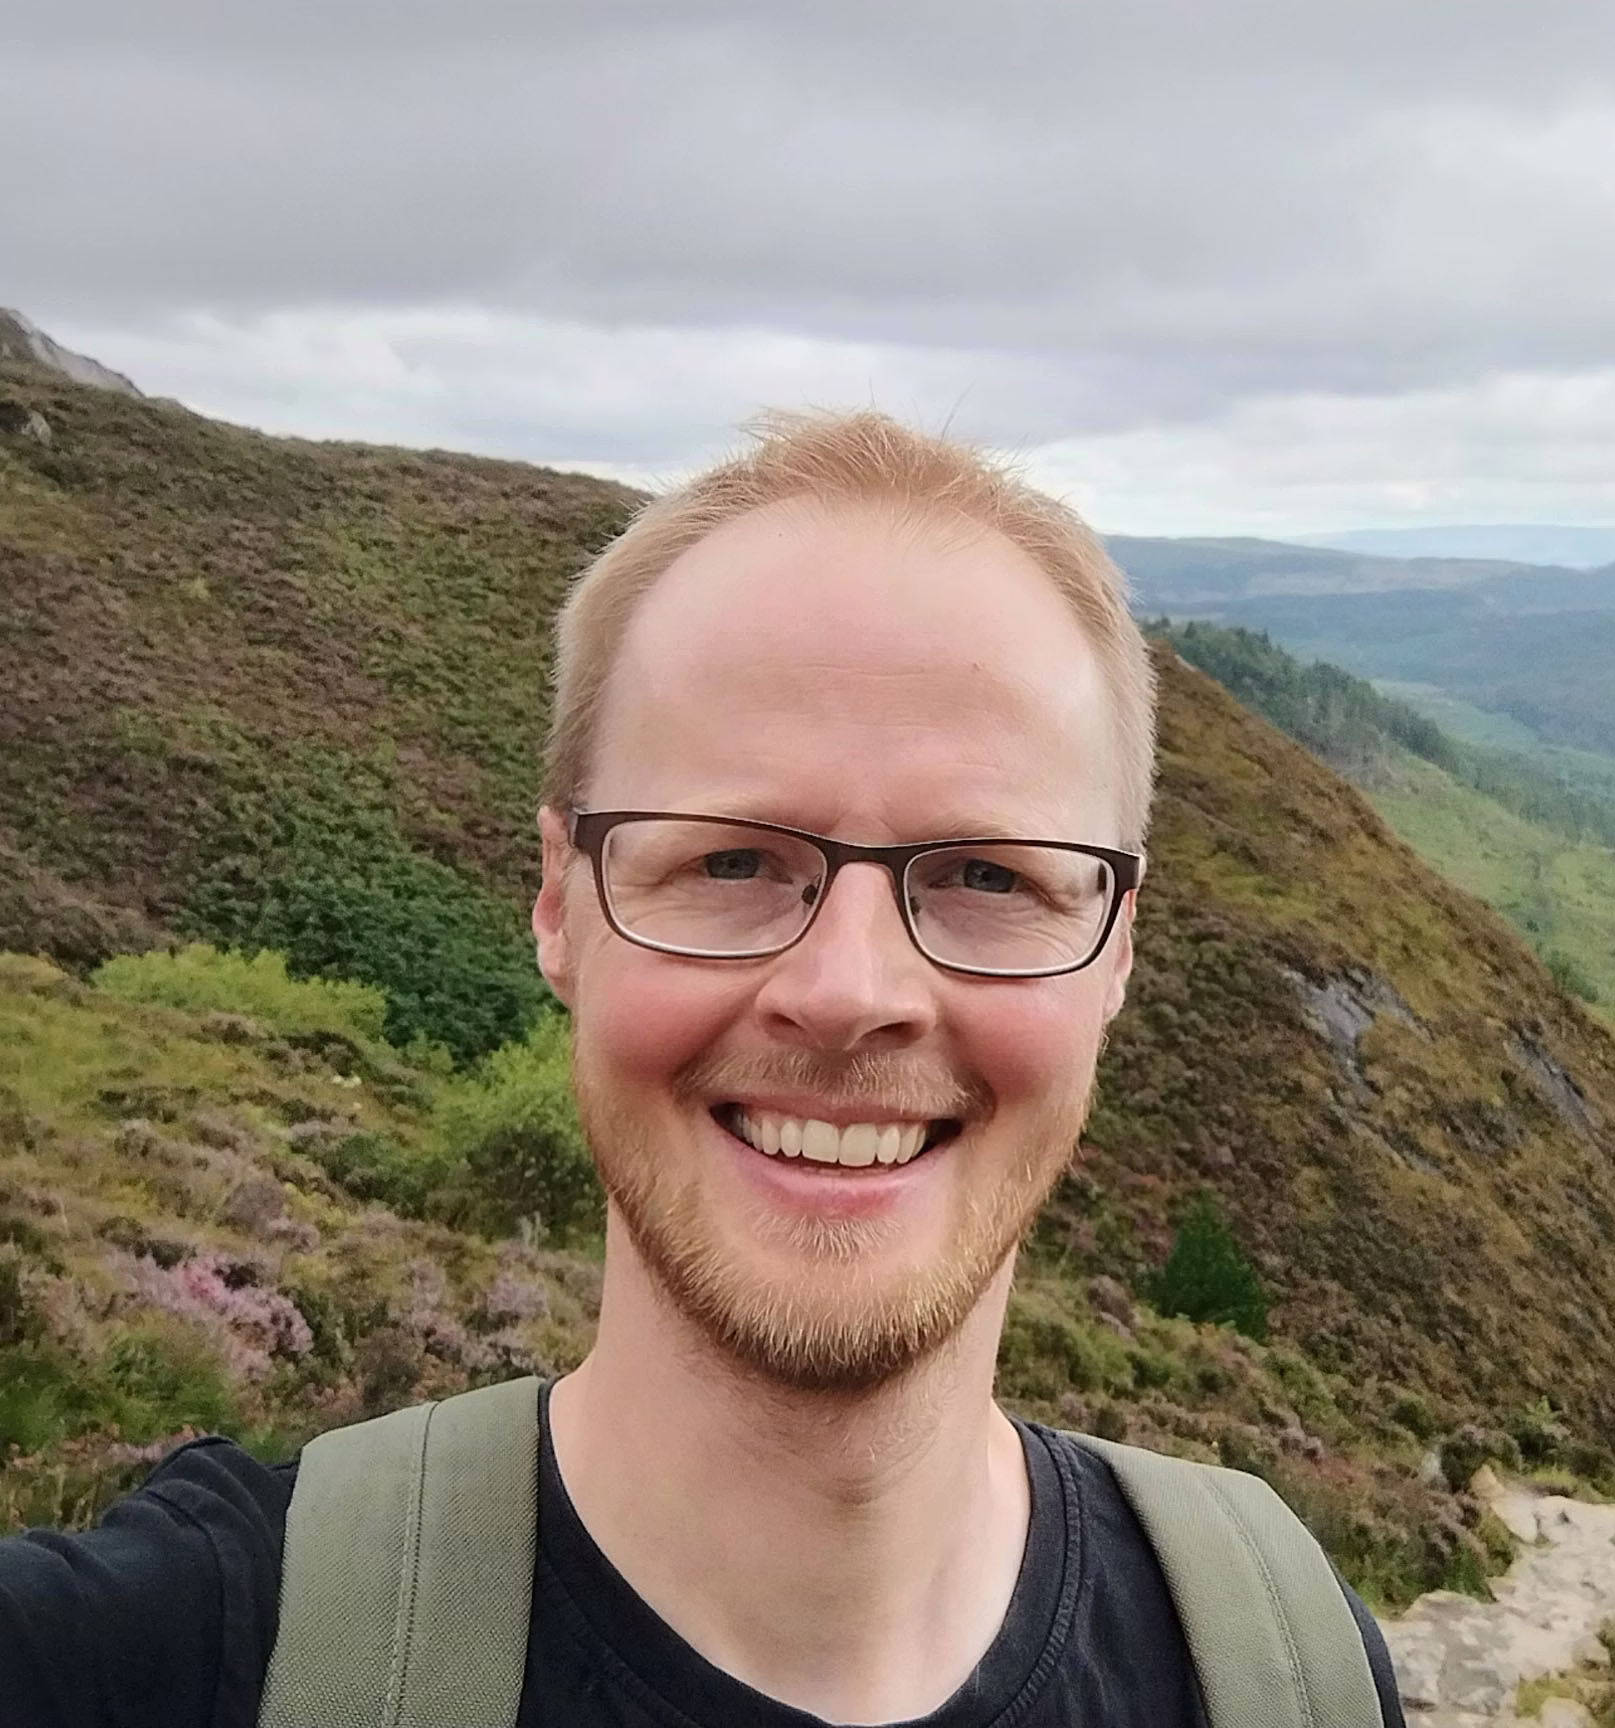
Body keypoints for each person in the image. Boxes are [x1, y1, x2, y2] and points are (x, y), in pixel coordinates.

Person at [0, 410, 1406, 1726]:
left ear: (1116, 953)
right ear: (561, 902)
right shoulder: (172, 1653)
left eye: (988, 876)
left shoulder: (1285, 1670)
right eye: (731, 861)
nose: (850, 993)